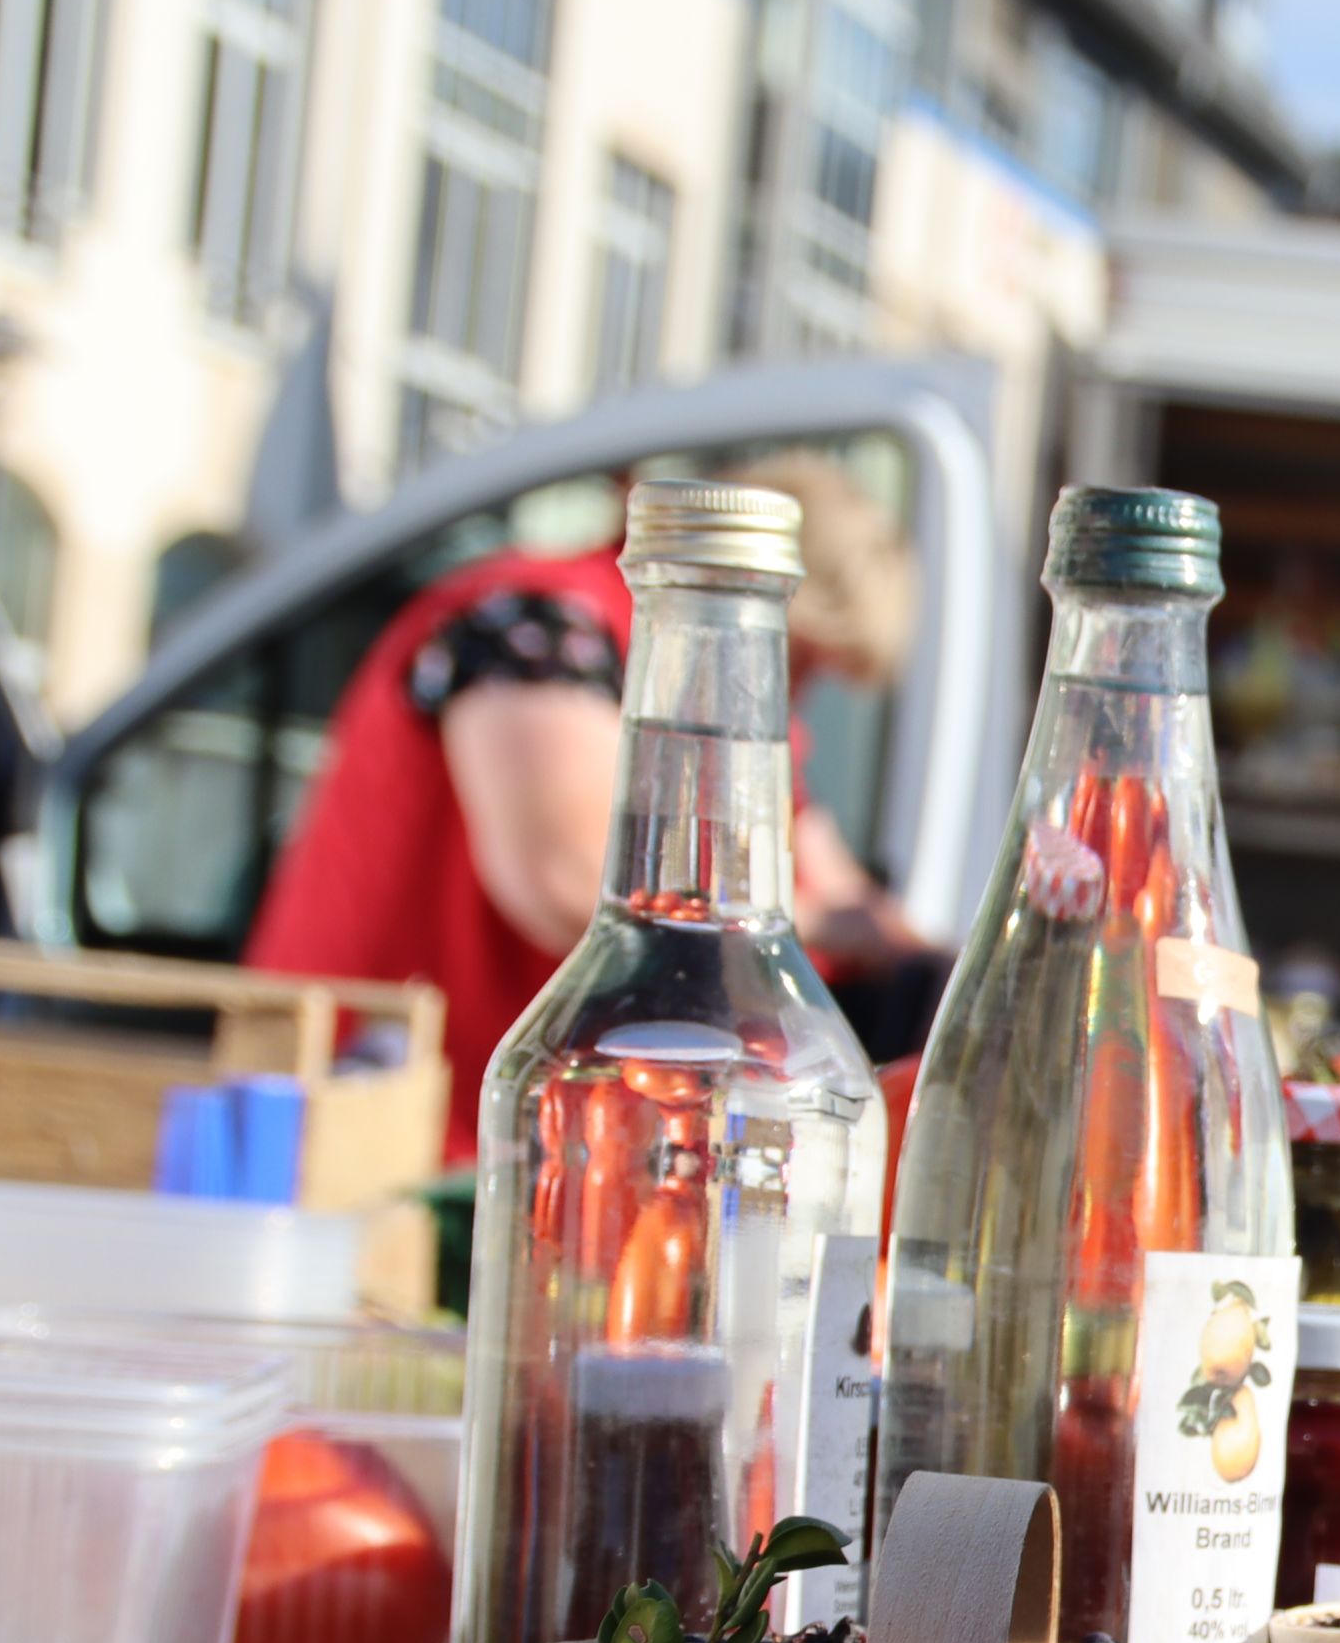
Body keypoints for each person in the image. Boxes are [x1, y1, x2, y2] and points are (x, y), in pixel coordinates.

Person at [246, 449, 920, 1158]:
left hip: (497, 1142)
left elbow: (831, 885)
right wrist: (825, 932)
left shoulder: (727, 719)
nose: (794, 693)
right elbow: (565, 876)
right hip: (361, 1118)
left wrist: (924, 960)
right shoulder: (534, 628)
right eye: (800, 660)